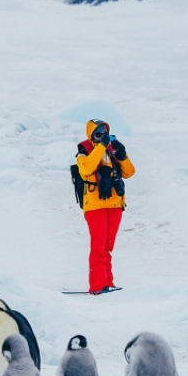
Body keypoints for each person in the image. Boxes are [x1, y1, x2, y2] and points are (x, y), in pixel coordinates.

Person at [75, 119, 135, 294]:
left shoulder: (111, 151)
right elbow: (86, 169)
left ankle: (107, 281)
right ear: (91, 136)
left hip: (115, 205)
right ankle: (98, 285)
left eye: (105, 134)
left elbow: (129, 172)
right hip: (95, 207)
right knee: (98, 247)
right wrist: (101, 147)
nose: (102, 137)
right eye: (98, 134)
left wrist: (122, 155)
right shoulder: (84, 153)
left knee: (108, 246)